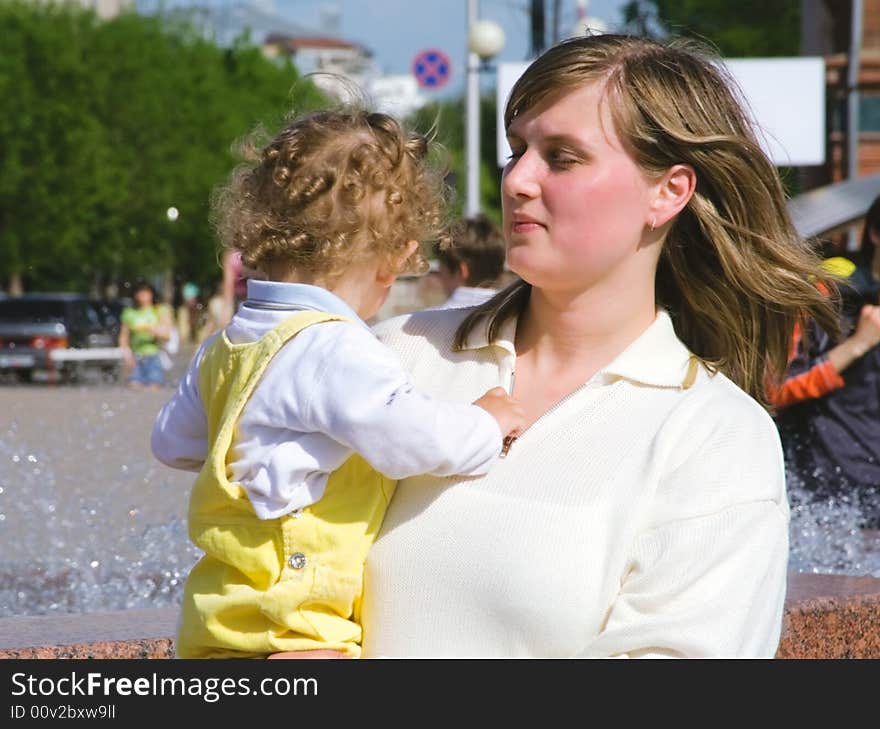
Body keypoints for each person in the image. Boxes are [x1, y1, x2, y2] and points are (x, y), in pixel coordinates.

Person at [350, 33, 842, 659]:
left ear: (668, 192)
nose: (518, 179)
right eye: (517, 150)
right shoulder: (398, 356)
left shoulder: (713, 436)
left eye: (562, 157)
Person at [150, 105, 524, 659]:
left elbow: (172, 444)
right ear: (390, 262)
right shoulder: (333, 347)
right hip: (295, 630)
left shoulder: (227, 345)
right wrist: (487, 422)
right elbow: (412, 440)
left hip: (216, 624)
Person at [771, 197, 880, 527]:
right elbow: (776, 389)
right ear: (875, 233)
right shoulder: (828, 299)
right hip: (828, 497)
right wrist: (858, 344)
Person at [433, 214, 507, 309]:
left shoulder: (421, 321)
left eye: (442, 270)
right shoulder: (520, 314)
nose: (440, 277)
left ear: (462, 270)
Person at [118, 281, 173, 390]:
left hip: (154, 356)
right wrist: (127, 356)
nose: (142, 295)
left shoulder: (159, 310)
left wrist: (151, 329)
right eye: (139, 292)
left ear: (152, 293)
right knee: (134, 388)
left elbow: (167, 335)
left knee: (153, 390)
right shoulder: (129, 313)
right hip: (136, 356)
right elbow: (123, 337)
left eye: (145, 292)